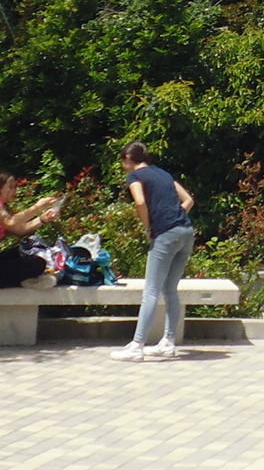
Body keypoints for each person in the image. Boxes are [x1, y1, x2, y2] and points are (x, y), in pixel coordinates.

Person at [111, 141, 196, 364]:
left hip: (165, 235)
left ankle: (137, 346)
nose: (124, 167)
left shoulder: (135, 177)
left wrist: (149, 227)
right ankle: (168, 342)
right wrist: (175, 216)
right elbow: (188, 200)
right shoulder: (163, 174)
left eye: (123, 162)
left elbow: (140, 201)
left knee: (150, 291)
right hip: (186, 232)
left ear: (128, 159)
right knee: (170, 290)